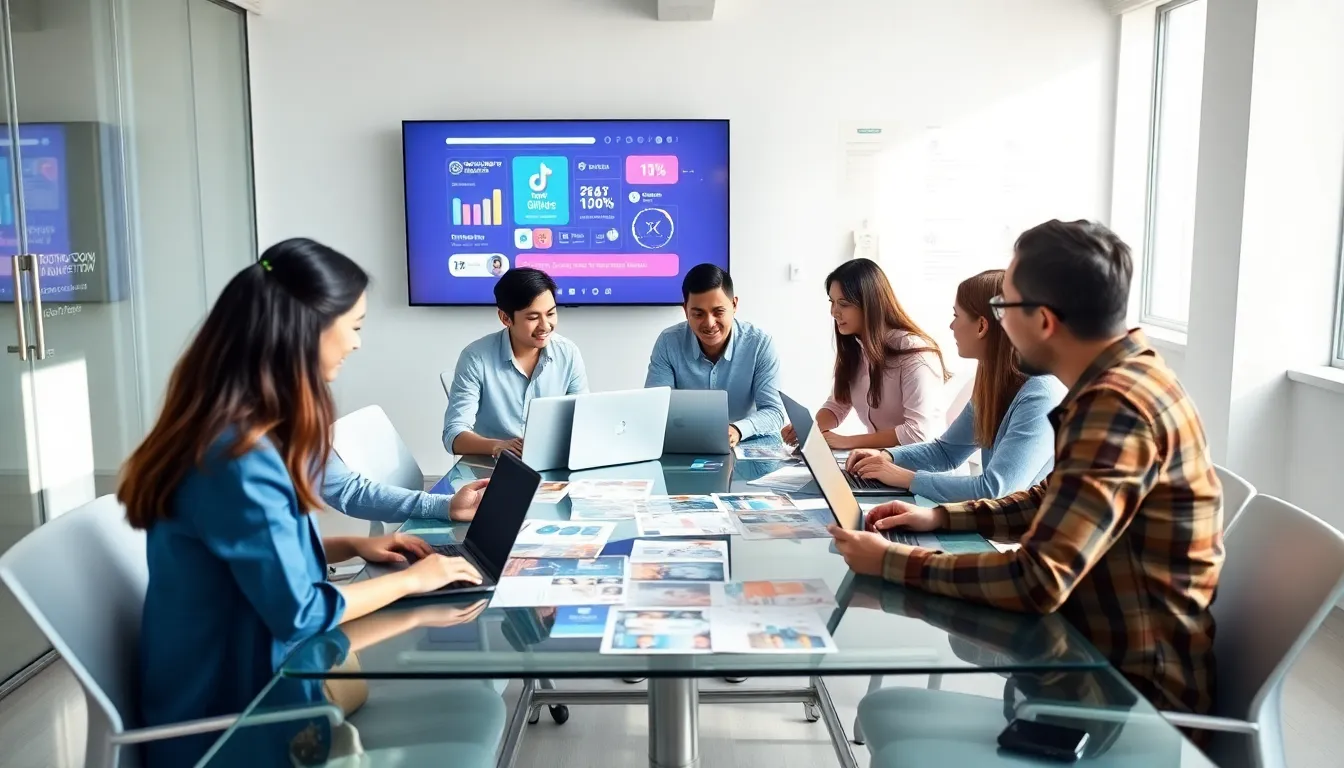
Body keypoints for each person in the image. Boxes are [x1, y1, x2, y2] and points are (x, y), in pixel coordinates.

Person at [829, 219, 1223, 717]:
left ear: (1044, 320)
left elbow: (1037, 580)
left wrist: (889, 561)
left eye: (1003, 307)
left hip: (1121, 700)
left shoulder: (1114, 409)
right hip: (1096, 661)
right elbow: (1050, 498)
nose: (997, 323)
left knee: (890, 706)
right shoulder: (1127, 377)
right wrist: (943, 517)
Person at [119, 239, 487, 768]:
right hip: (234, 726)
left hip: (246, 690)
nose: (357, 344)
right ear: (308, 326)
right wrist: (413, 580)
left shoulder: (237, 431)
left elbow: (245, 559)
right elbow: (301, 613)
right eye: (355, 326)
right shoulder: (236, 459)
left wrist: (349, 544)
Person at [843, 269, 1066, 503]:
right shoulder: (993, 384)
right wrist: (886, 457)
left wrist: (905, 478)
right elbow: (946, 452)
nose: (951, 326)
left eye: (956, 315)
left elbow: (996, 490)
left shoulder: (1042, 394)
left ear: (981, 326)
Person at [782, 258, 948, 451]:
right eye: (832, 302)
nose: (834, 312)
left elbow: (917, 433)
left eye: (843, 304)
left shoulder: (915, 352)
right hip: (884, 464)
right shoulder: (856, 349)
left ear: (870, 304)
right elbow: (838, 404)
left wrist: (848, 442)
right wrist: (809, 431)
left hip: (922, 470)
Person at [442, 267, 588, 457]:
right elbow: (453, 435)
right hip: (491, 466)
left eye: (551, 314)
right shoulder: (475, 358)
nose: (545, 326)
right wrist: (498, 446)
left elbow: (582, 418)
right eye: (533, 317)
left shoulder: (568, 353)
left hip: (551, 461)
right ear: (505, 318)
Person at [645, 264, 784, 448]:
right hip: (686, 447)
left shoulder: (759, 344)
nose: (709, 323)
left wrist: (737, 429)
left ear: (734, 305)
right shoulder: (668, 343)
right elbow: (655, 409)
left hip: (745, 447)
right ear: (686, 310)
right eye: (698, 314)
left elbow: (775, 412)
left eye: (718, 312)